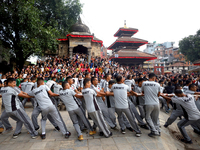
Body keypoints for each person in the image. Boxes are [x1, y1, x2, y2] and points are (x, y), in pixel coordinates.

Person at [141, 73, 161, 137]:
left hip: (148, 103)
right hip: (156, 103)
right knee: (155, 118)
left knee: (147, 118)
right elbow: (159, 94)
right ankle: (158, 130)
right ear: (154, 77)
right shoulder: (157, 84)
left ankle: (154, 131)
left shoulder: (144, 83)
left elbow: (143, 92)